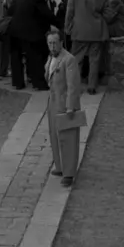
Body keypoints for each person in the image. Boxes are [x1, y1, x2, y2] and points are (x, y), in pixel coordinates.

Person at [6, 0, 59, 90]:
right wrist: (59, 23)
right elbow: (47, 15)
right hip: (30, 34)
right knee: (36, 58)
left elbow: (10, 11)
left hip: (14, 31)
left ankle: (18, 83)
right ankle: (38, 83)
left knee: (16, 58)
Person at [45, 27, 83, 187]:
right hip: (53, 102)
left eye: (55, 43)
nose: (52, 46)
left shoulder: (69, 60)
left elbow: (73, 85)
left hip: (64, 104)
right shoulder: (50, 58)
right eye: (50, 43)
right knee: (54, 135)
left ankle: (69, 173)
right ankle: (60, 166)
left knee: (68, 138)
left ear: (61, 42)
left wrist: (70, 107)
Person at [64, 0, 111, 94]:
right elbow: (108, 15)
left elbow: (70, 11)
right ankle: (92, 86)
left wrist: (67, 27)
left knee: (76, 60)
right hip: (96, 31)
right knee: (94, 60)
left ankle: (75, 86)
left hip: (78, 30)